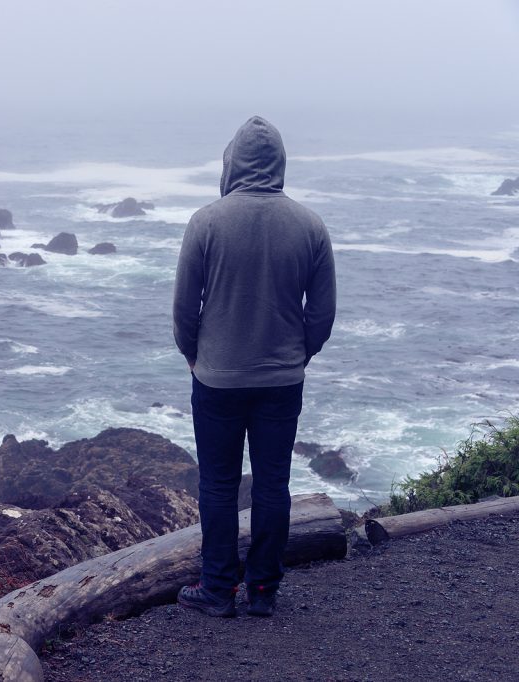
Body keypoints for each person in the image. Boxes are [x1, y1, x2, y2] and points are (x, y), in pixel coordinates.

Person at [172, 115, 336, 617]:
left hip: (217, 379)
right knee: (272, 484)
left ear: (232, 164)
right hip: (282, 380)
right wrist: (299, 354)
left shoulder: (206, 222)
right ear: (279, 163)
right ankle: (263, 590)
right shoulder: (310, 224)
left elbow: (184, 308)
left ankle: (218, 589)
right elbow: (322, 313)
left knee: (218, 486)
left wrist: (195, 356)